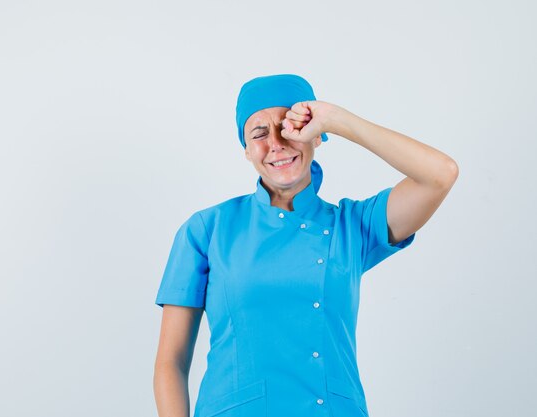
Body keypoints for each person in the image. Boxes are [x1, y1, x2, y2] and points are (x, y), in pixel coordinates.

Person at [152, 74, 459, 417]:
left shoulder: (351, 226)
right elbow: (171, 363)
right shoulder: (207, 230)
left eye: (288, 128)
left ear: (317, 136)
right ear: (246, 150)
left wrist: (338, 119)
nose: (276, 144)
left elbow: (440, 174)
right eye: (259, 134)